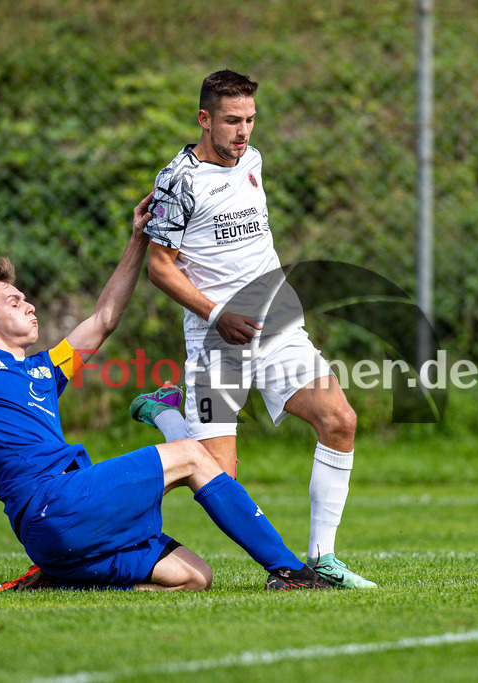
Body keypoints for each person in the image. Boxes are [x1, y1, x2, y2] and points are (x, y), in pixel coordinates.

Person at [0, 194, 330, 592]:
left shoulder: (45, 368)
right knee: (194, 457)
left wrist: (137, 238)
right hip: (51, 504)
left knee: (196, 576)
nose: (28, 305)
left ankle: (64, 572)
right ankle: (288, 570)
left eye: (25, 297)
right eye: (13, 301)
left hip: (61, 527)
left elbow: (104, 318)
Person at [141, 69, 375, 589]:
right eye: (230, 121)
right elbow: (159, 267)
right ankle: (167, 415)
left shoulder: (252, 160)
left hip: (279, 329)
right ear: (204, 119)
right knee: (221, 481)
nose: (243, 131)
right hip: (216, 340)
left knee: (339, 420)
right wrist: (217, 314)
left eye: (249, 119)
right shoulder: (178, 181)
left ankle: (324, 560)